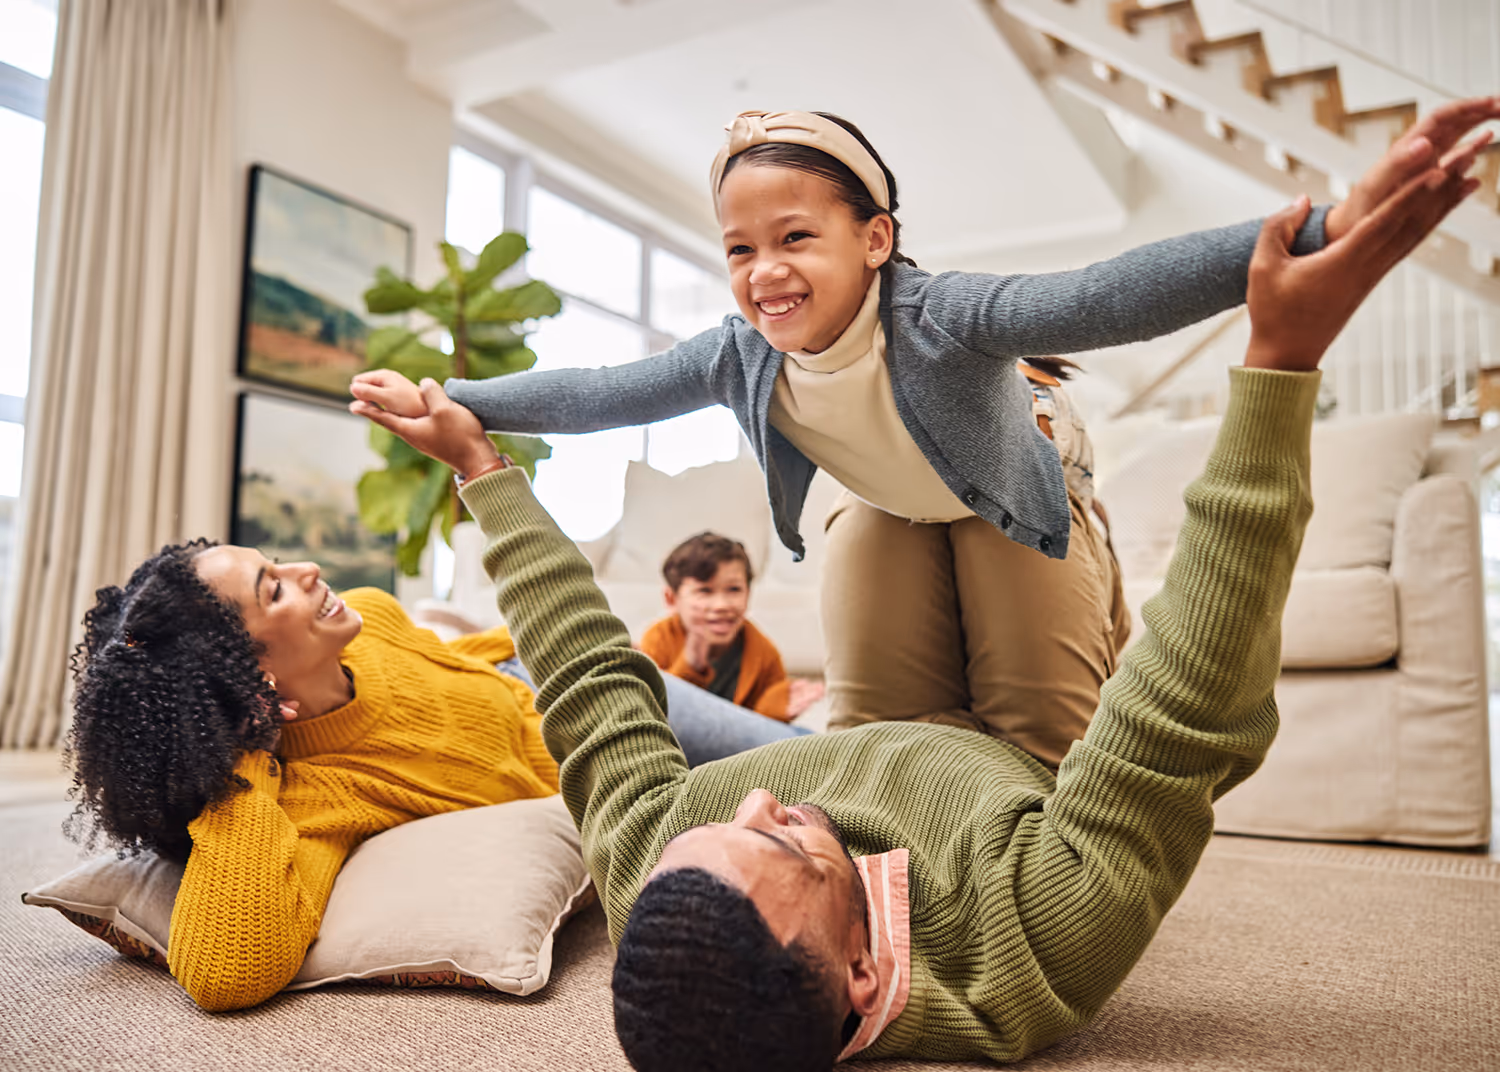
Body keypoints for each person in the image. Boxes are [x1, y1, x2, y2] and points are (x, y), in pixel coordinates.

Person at [350, 96, 1492, 1070]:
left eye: (788, 237)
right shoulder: (1035, 934)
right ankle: (1037, 501)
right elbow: (1183, 707)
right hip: (1026, 709)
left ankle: (942, 479)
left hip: (927, 511)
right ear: (859, 975)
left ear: (878, 238)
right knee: (994, 540)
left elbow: (589, 673)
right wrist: (1291, 327)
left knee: (873, 525)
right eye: (789, 841)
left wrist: (472, 439)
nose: (754, 799)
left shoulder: (674, 857)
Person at [352, 105, 1449, 768]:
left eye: (795, 237)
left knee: (1032, 717)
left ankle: (1081, 568)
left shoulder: (940, 314)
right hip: (891, 494)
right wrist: (460, 399)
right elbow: (607, 387)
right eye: (739, 249)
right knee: (876, 687)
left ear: (874, 239)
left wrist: (1321, 228)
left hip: (1014, 468)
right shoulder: (739, 354)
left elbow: (1103, 292)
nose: (764, 271)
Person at [65, 548, 559, 1012]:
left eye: (276, 564)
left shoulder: (372, 612)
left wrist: (545, 650)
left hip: (531, 675)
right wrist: (246, 760)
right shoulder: (314, 796)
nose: (308, 568)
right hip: (567, 741)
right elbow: (223, 974)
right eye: (274, 590)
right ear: (243, 674)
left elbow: (461, 666)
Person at [640, 530, 824, 722]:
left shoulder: (763, 652)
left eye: (734, 589)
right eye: (704, 591)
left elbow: (760, 732)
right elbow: (653, 713)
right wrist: (691, 667)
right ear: (671, 599)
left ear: (748, 593)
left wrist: (773, 711)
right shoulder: (659, 639)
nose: (721, 605)